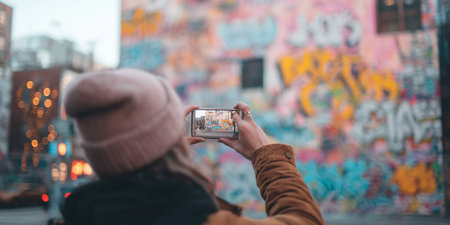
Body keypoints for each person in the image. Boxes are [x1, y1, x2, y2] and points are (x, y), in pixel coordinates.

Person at [60, 69, 325, 225]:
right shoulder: (198, 217)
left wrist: (160, 150)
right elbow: (303, 219)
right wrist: (265, 155)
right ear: (170, 142)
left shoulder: (77, 215)